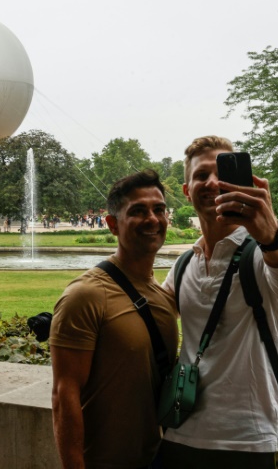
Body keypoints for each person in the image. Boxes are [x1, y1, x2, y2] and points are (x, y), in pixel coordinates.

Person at [159, 136, 278, 468]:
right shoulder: (186, 263)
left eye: (220, 173)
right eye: (201, 176)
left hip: (252, 442)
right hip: (181, 435)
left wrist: (271, 235)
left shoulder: (263, 253)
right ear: (187, 190)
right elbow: (148, 312)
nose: (212, 182)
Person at [49, 169, 179, 469]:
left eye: (159, 209)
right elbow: (63, 394)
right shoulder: (85, 295)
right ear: (112, 224)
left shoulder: (161, 295)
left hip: (156, 458)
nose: (152, 219)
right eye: (138, 211)